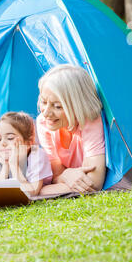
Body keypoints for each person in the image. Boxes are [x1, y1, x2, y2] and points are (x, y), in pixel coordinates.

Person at [36, 64, 106, 195]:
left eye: (57, 106)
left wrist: (44, 190)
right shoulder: (43, 122)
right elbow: (56, 175)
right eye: (44, 102)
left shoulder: (90, 120)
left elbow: (93, 182)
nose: (46, 113)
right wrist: (66, 174)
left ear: (78, 105)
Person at [0, 111, 53, 197]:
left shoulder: (37, 156)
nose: (3, 143)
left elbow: (32, 192)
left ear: (28, 143)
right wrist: (5, 166)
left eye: (10, 138)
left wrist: (13, 165)